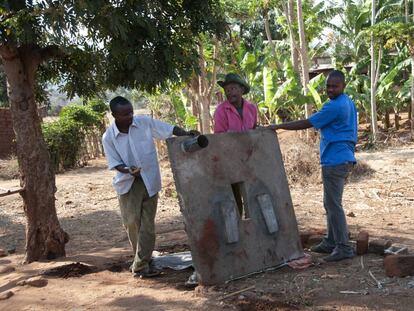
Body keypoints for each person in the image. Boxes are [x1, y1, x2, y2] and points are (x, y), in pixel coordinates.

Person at [102, 96, 198, 277]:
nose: (129, 116)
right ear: (114, 115)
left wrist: (185, 133)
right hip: (128, 184)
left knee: (147, 225)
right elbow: (114, 163)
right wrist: (128, 170)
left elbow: (167, 129)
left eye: (130, 112)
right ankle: (143, 258)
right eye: (124, 114)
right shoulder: (108, 137)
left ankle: (141, 265)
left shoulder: (144, 123)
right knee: (131, 223)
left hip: (149, 180)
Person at [267, 70, 357, 262]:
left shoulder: (336, 106)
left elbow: (308, 122)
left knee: (334, 205)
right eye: (328, 86)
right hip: (340, 157)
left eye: (335, 86)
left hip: (336, 159)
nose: (330, 89)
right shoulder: (346, 101)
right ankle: (331, 241)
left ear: (343, 86)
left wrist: (278, 126)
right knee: (330, 203)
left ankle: (343, 247)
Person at [214, 73, 258, 216]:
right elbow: (219, 136)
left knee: (252, 192)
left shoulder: (251, 108)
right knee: (234, 195)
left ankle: (253, 226)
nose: (229, 92)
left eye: (232, 88)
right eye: (226, 90)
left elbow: (254, 129)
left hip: (249, 158)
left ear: (241, 89)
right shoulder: (221, 110)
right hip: (230, 158)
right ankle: (238, 228)